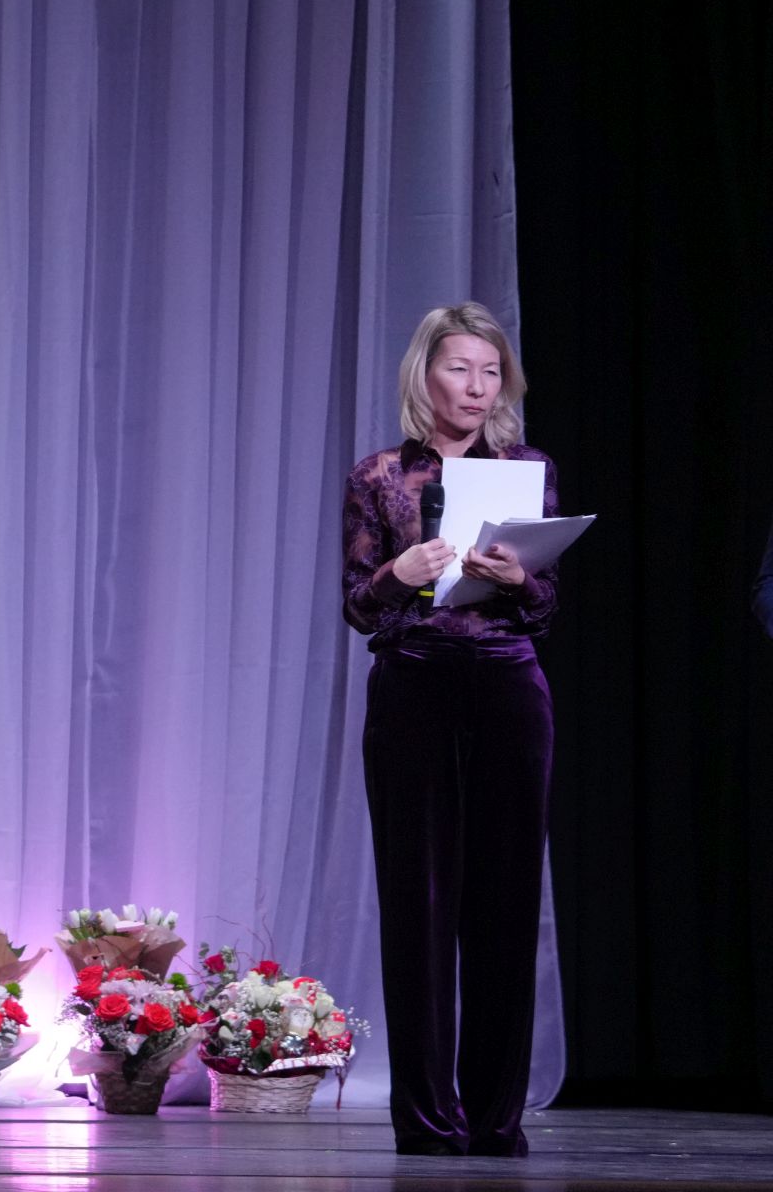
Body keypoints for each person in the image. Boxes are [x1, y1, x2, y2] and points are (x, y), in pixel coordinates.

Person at [343, 302, 559, 1158]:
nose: (477, 386)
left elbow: (545, 608)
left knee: (507, 901)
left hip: (508, 686)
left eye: (491, 372)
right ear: (424, 376)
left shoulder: (527, 470)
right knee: (419, 904)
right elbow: (360, 608)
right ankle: (429, 1119)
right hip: (415, 686)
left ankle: (497, 1116)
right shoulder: (379, 476)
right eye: (460, 368)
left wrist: (517, 579)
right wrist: (399, 573)